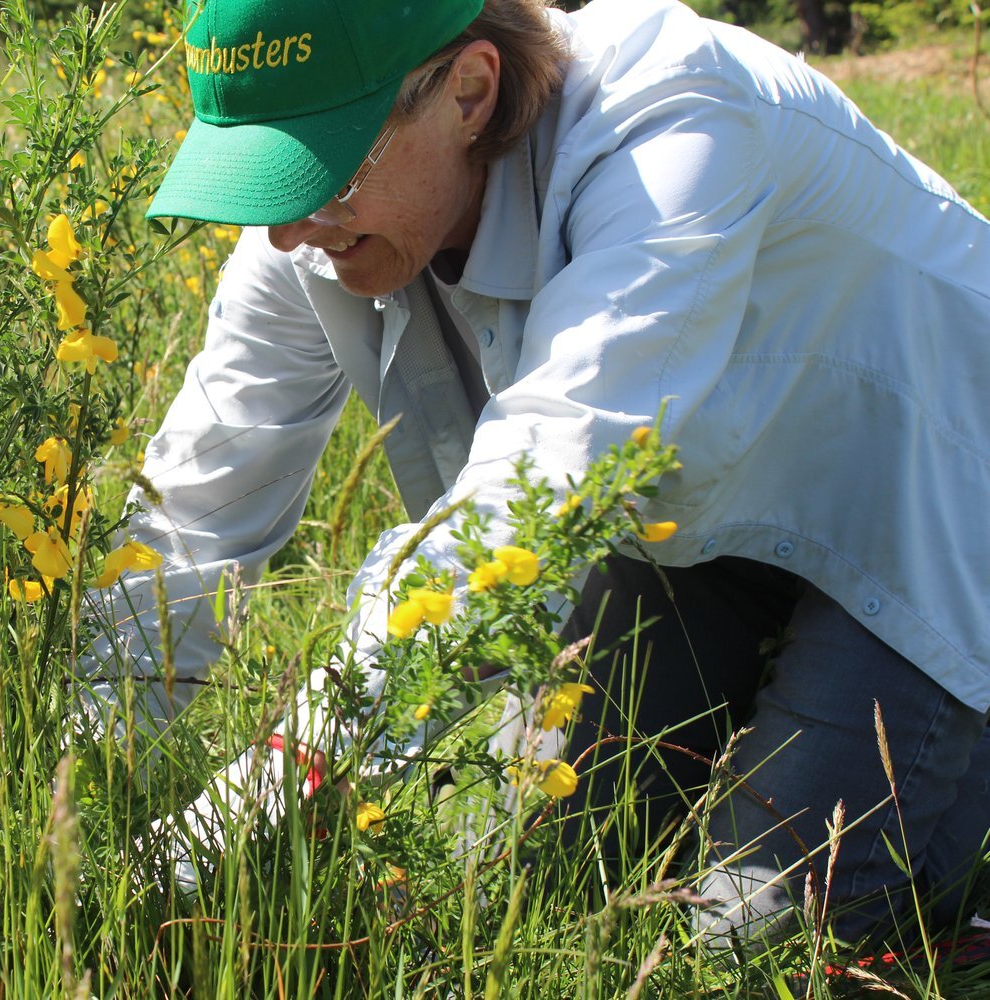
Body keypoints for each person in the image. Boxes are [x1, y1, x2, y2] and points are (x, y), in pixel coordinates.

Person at [79, 0, 990, 954]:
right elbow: (193, 513)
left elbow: (541, 481)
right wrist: (77, 782)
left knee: (749, 946)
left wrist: (233, 815)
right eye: (270, 179)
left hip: (924, 507)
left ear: (470, 89)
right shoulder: (320, 225)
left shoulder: (671, 125)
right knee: (544, 886)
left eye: (325, 167)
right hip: (701, 519)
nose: (288, 229)